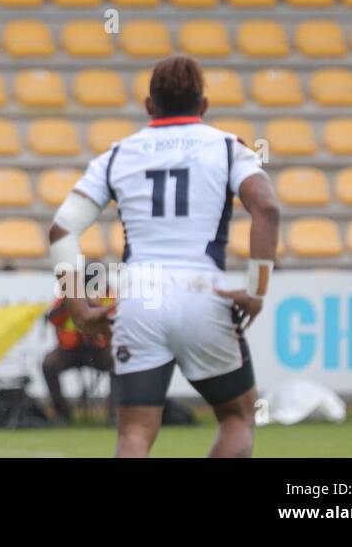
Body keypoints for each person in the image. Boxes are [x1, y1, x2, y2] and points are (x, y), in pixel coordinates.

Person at [48, 55, 282, 458]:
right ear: (204, 106)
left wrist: (80, 308)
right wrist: (257, 288)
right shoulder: (228, 148)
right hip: (203, 292)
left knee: (135, 434)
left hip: (139, 298)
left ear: (149, 106)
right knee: (238, 418)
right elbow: (267, 208)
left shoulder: (118, 154)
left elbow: (62, 229)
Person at [43, 295, 113, 425]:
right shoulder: (67, 296)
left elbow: (114, 318)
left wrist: (94, 306)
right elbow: (53, 319)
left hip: (98, 348)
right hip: (70, 349)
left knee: (118, 364)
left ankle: (114, 414)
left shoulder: (107, 294)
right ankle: (62, 414)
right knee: (49, 364)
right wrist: (69, 303)